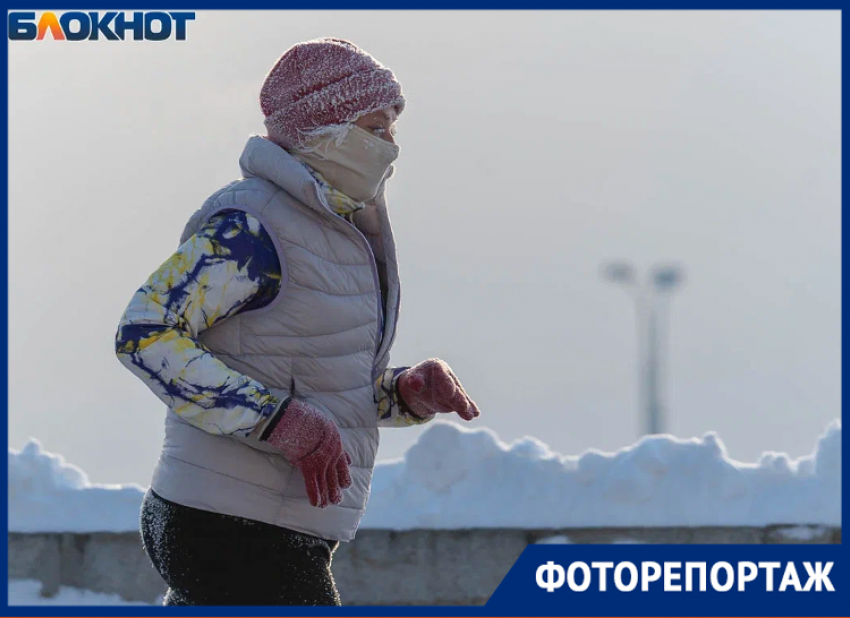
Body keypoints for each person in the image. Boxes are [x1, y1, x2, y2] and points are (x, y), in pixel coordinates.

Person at [114, 37, 481, 606]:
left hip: (271, 522)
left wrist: (403, 392)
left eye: (394, 131)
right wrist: (277, 421)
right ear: (323, 128)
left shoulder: (335, 231)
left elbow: (306, 380)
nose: (391, 149)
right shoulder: (253, 226)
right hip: (229, 519)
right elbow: (144, 334)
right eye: (376, 129)